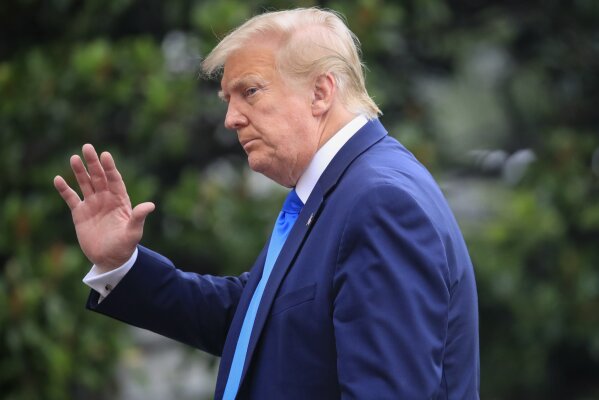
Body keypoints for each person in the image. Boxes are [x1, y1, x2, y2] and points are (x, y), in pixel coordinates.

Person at [54, 8, 479, 399]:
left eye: (250, 91)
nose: (231, 118)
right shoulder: (338, 189)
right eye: (228, 99)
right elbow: (256, 319)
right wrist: (121, 265)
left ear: (321, 92)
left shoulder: (378, 202)